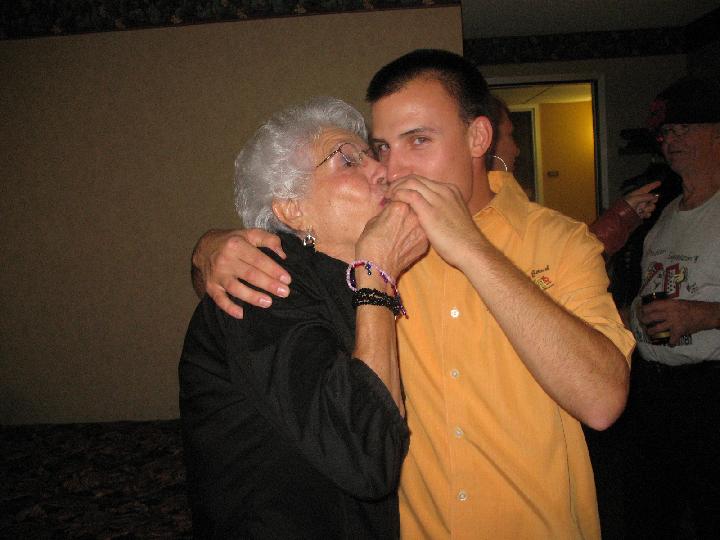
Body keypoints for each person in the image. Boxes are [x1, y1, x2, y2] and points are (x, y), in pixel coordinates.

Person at [191, 50, 635, 539]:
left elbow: (602, 403)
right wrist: (210, 250)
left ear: (478, 137)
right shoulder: (375, 250)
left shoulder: (561, 241)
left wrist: (472, 249)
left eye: (419, 140)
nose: (391, 168)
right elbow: (280, 297)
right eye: (380, 148)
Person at [179, 97, 428, 538]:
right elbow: (366, 457)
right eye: (348, 160)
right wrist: (377, 273)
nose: (382, 169)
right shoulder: (262, 285)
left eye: (372, 154)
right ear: (291, 209)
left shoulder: (358, 279)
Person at [627, 76, 720, 539]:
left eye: (685, 128)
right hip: (655, 388)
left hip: (710, 392)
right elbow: (648, 289)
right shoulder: (665, 210)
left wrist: (702, 316)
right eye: (667, 132)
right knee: (650, 514)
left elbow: (693, 310)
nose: (671, 140)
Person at [485, 95, 661, 257]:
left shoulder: (505, 201)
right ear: (483, 138)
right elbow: (559, 263)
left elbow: (560, 258)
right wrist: (621, 217)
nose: (517, 150)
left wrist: (622, 216)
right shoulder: (489, 211)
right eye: (510, 135)